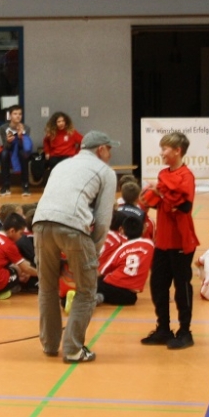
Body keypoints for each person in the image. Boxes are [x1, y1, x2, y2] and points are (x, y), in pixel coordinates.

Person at [33, 131, 119, 363]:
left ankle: (50, 344)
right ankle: (73, 349)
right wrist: (93, 253)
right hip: (73, 227)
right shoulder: (106, 172)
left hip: (40, 224)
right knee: (87, 291)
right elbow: (103, 219)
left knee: (47, 288)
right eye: (109, 149)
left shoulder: (61, 165)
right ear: (101, 149)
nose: (111, 154)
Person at [143, 132, 199, 350]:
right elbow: (155, 201)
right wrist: (160, 194)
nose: (162, 153)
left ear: (177, 151)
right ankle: (163, 329)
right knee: (158, 285)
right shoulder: (163, 174)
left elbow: (183, 206)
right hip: (162, 241)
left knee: (181, 288)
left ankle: (185, 331)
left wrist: (161, 193)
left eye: (165, 149)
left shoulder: (187, 176)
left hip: (181, 241)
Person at [0, 105, 33, 197]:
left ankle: (25, 186)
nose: (18, 116)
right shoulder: (3, 128)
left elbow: (25, 146)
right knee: (4, 154)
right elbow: (5, 146)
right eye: (15, 114)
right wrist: (9, 141)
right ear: (10, 116)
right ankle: (5, 186)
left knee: (23, 154)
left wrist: (20, 137)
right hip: (9, 150)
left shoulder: (26, 128)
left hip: (20, 150)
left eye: (20, 114)